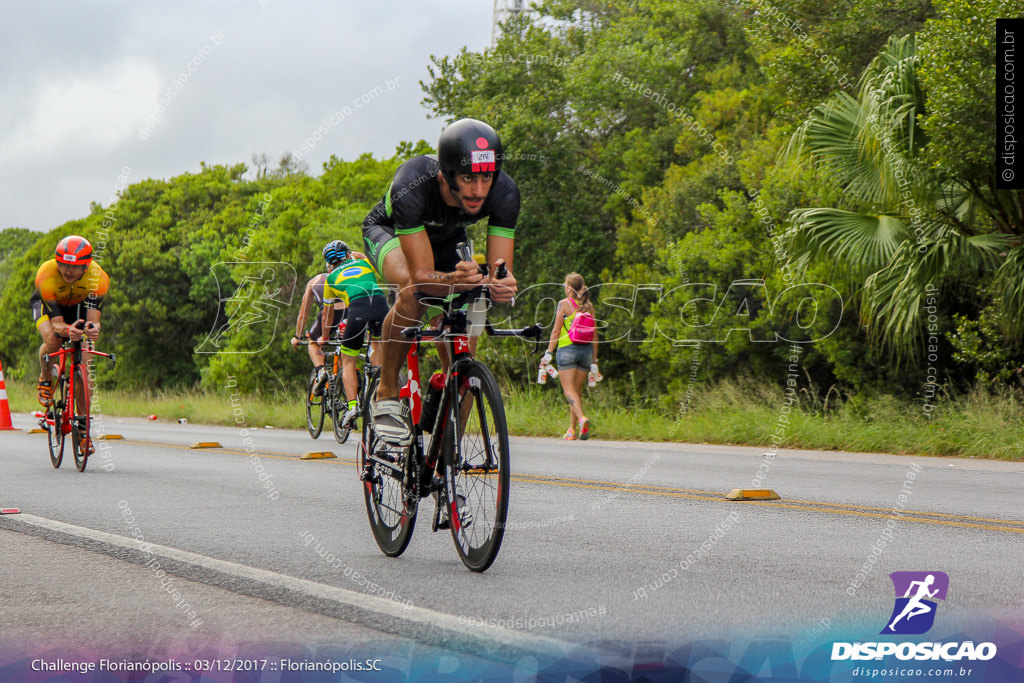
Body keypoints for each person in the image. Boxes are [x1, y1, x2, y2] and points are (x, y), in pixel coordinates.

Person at [362, 118, 519, 445]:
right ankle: (387, 389)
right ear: (445, 176)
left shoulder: (503, 192)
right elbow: (421, 276)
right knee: (413, 291)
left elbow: (500, 268)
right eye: (467, 179)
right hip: (390, 232)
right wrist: (453, 280)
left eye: (486, 178)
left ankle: (445, 464)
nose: (478, 191)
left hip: (447, 243)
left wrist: (500, 282)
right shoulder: (413, 183)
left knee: (463, 361)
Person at [32, 236, 109, 453]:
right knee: (53, 340)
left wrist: (92, 330)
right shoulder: (46, 273)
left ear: (86, 265)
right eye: (63, 264)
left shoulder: (98, 278)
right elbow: (57, 324)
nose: (67, 271)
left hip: (80, 305)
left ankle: (83, 432)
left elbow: (95, 320)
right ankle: (46, 378)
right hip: (51, 305)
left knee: (85, 358)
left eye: (74, 266)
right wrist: (69, 331)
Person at [320, 246, 388, 429]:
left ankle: (352, 407)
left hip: (358, 308)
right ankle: (378, 380)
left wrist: (324, 338)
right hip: (382, 305)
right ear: (349, 254)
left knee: (348, 361)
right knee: (376, 342)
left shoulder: (330, 279)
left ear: (329, 264)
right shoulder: (365, 263)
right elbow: (372, 261)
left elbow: (328, 315)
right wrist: (360, 256)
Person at [542, 273, 600, 440]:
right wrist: (594, 360)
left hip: (567, 351)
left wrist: (548, 353)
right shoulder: (588, 306)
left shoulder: (564, 304)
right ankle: (572, 430)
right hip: (586, 352)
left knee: (568, 390)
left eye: (565, 285)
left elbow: (555, 331)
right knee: (576, 392)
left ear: (569, 287)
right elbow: (594, 334)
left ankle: (582, 418)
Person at [290, 240, 347, 395]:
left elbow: (303, 313)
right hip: (350, 313)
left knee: (313, 342)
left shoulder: (315, 281)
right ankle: (346, 381)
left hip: (328, 315)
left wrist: (297, 336)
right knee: (344, 350)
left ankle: (321, 371)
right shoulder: (350, 274)